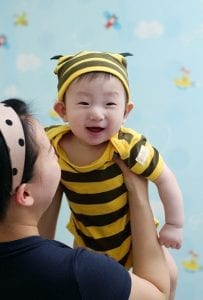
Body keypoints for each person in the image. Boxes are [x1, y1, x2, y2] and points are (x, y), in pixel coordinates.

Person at [41, 51, 184, 299]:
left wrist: (174, 224)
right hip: (88, 240)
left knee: (168, 275)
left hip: (137, 239)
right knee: (87, 286)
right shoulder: (53, 143)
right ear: (62, 110)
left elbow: (165, 178)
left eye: (110, 104)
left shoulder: (129, 146)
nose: (97, 113)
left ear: (126, 111)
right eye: (84, 103)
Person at [0, 98, 170, 299]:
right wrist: (138, 192)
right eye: (51, 152)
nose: (59, 155)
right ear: (25, 194)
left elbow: (35, 251)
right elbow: (159, 294)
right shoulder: (82, 272)